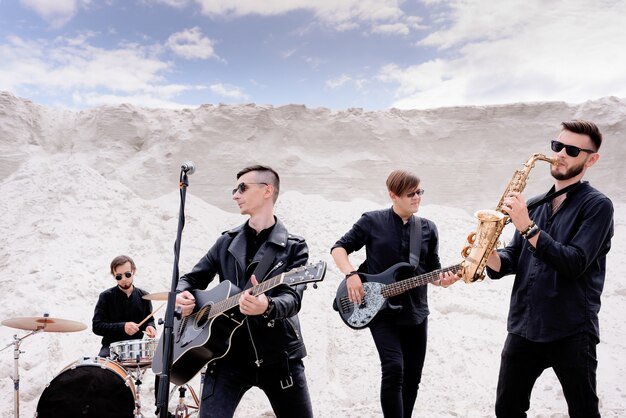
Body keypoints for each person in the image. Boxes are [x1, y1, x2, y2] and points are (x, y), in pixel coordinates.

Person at [485, 120, 614, 418]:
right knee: (506, 409)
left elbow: (574, 262)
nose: (560, 155)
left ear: (591, 159)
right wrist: (488, 253)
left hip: (570, 330)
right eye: (557, 146)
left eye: (571, 150)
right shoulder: (535, 204)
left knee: (583, 412)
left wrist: (527, 226)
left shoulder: (598, 206)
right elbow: (513, 260)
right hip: (523, 327)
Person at [175, 165, 314, 418]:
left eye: (242, 188)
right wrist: (183, 295)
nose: (235, 195)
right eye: (234, 189)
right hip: (226, 355)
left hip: (279, 357)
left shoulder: (294, 247)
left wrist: (267, 306)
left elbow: (292, 299)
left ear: (267, 191)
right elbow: (190, 279)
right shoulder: (226, 242)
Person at [330, 169, 460, 418]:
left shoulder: (428, 229)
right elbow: (339, 248)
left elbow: (433, 272)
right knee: (393, 369)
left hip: (416, 311)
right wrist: (350, 275)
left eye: (420, 192)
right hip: (380, 311)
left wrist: (446, 281)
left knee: (413, 377)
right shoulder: (371, 221)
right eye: (411, 194)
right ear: (393, 195)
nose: (417, 198)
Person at [92, 254, 157, 358]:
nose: (123, 279)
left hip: (136, 348)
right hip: (111, 347)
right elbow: (97, 327)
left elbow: (149, 319)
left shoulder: (145, 296)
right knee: (102, 370)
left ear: (134, 271)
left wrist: (151, 327)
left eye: (127, 274)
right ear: (113, 275)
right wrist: (123, 327)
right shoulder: (105, 296)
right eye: (119, 276)